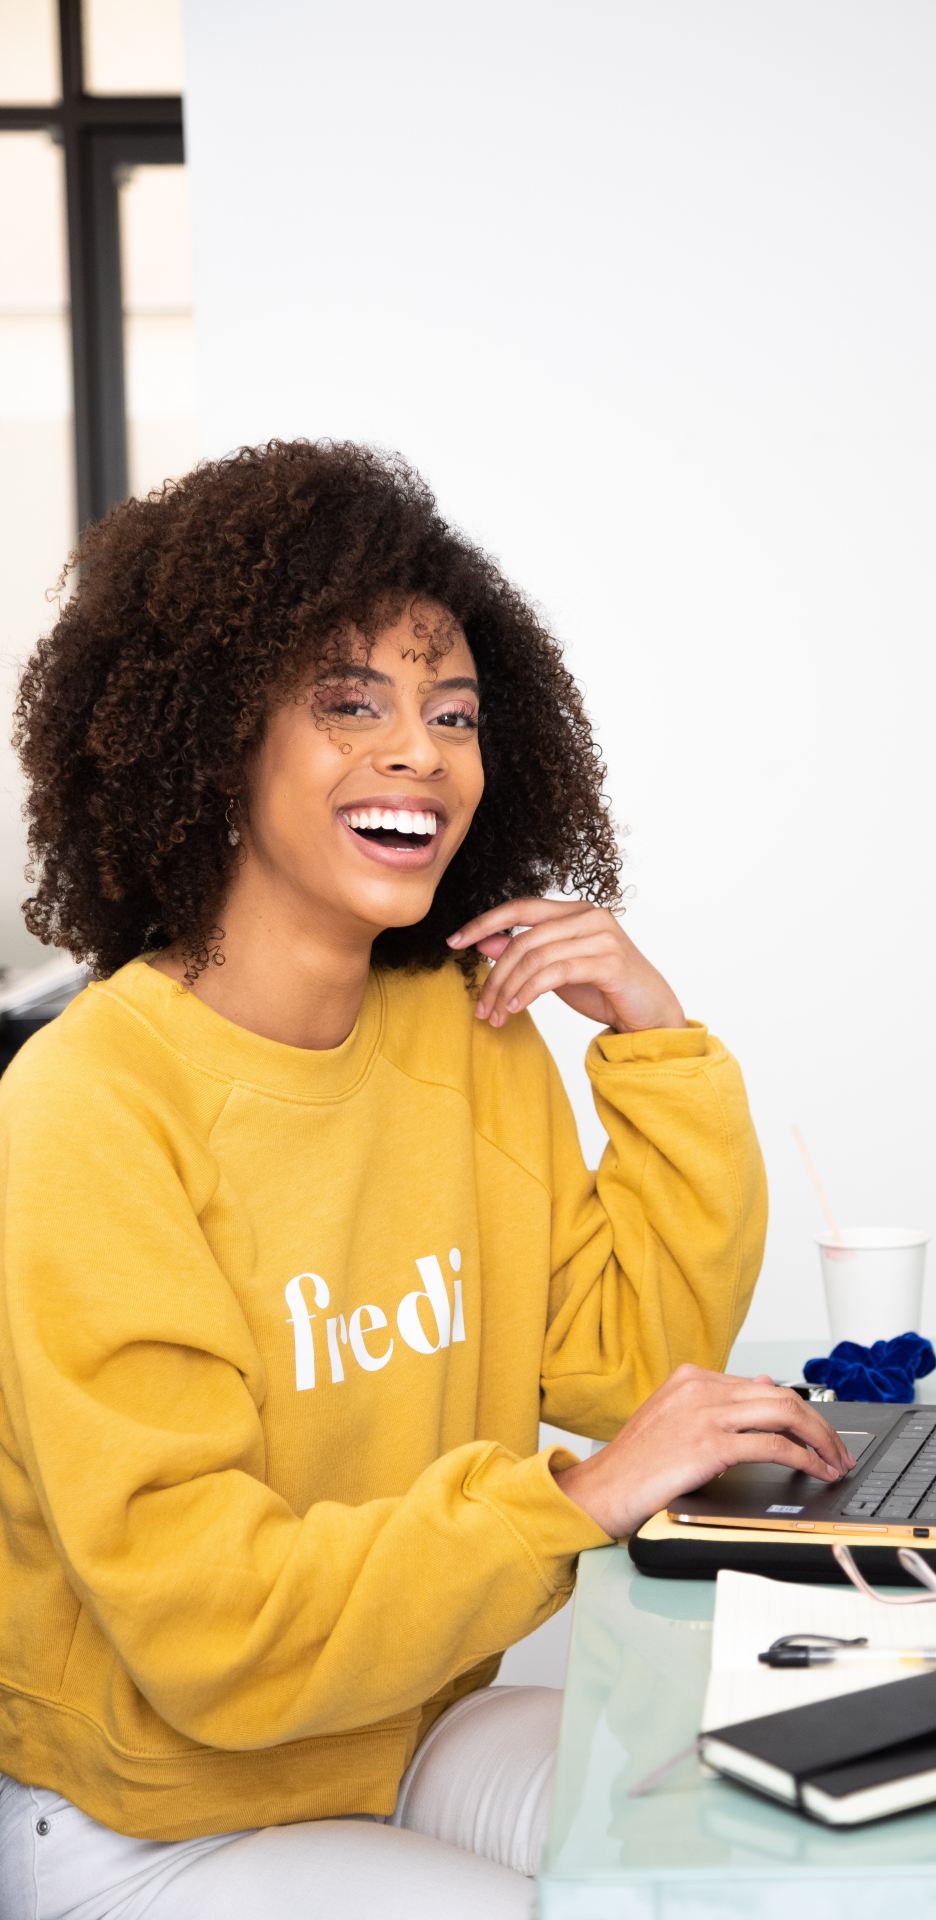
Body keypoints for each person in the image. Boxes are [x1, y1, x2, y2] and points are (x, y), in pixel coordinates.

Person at [0, 440, 851, 1919]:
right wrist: (571, 1500)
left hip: (398, 1729)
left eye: (451, 712)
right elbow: (213, 1624)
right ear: (211, 738)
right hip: (159, 1809)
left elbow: (636, 1370)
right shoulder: (90, 1107)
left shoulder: (463, 1038)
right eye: (349, 704)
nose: (419, 752)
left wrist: (658, 1047)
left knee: (771, 1843)